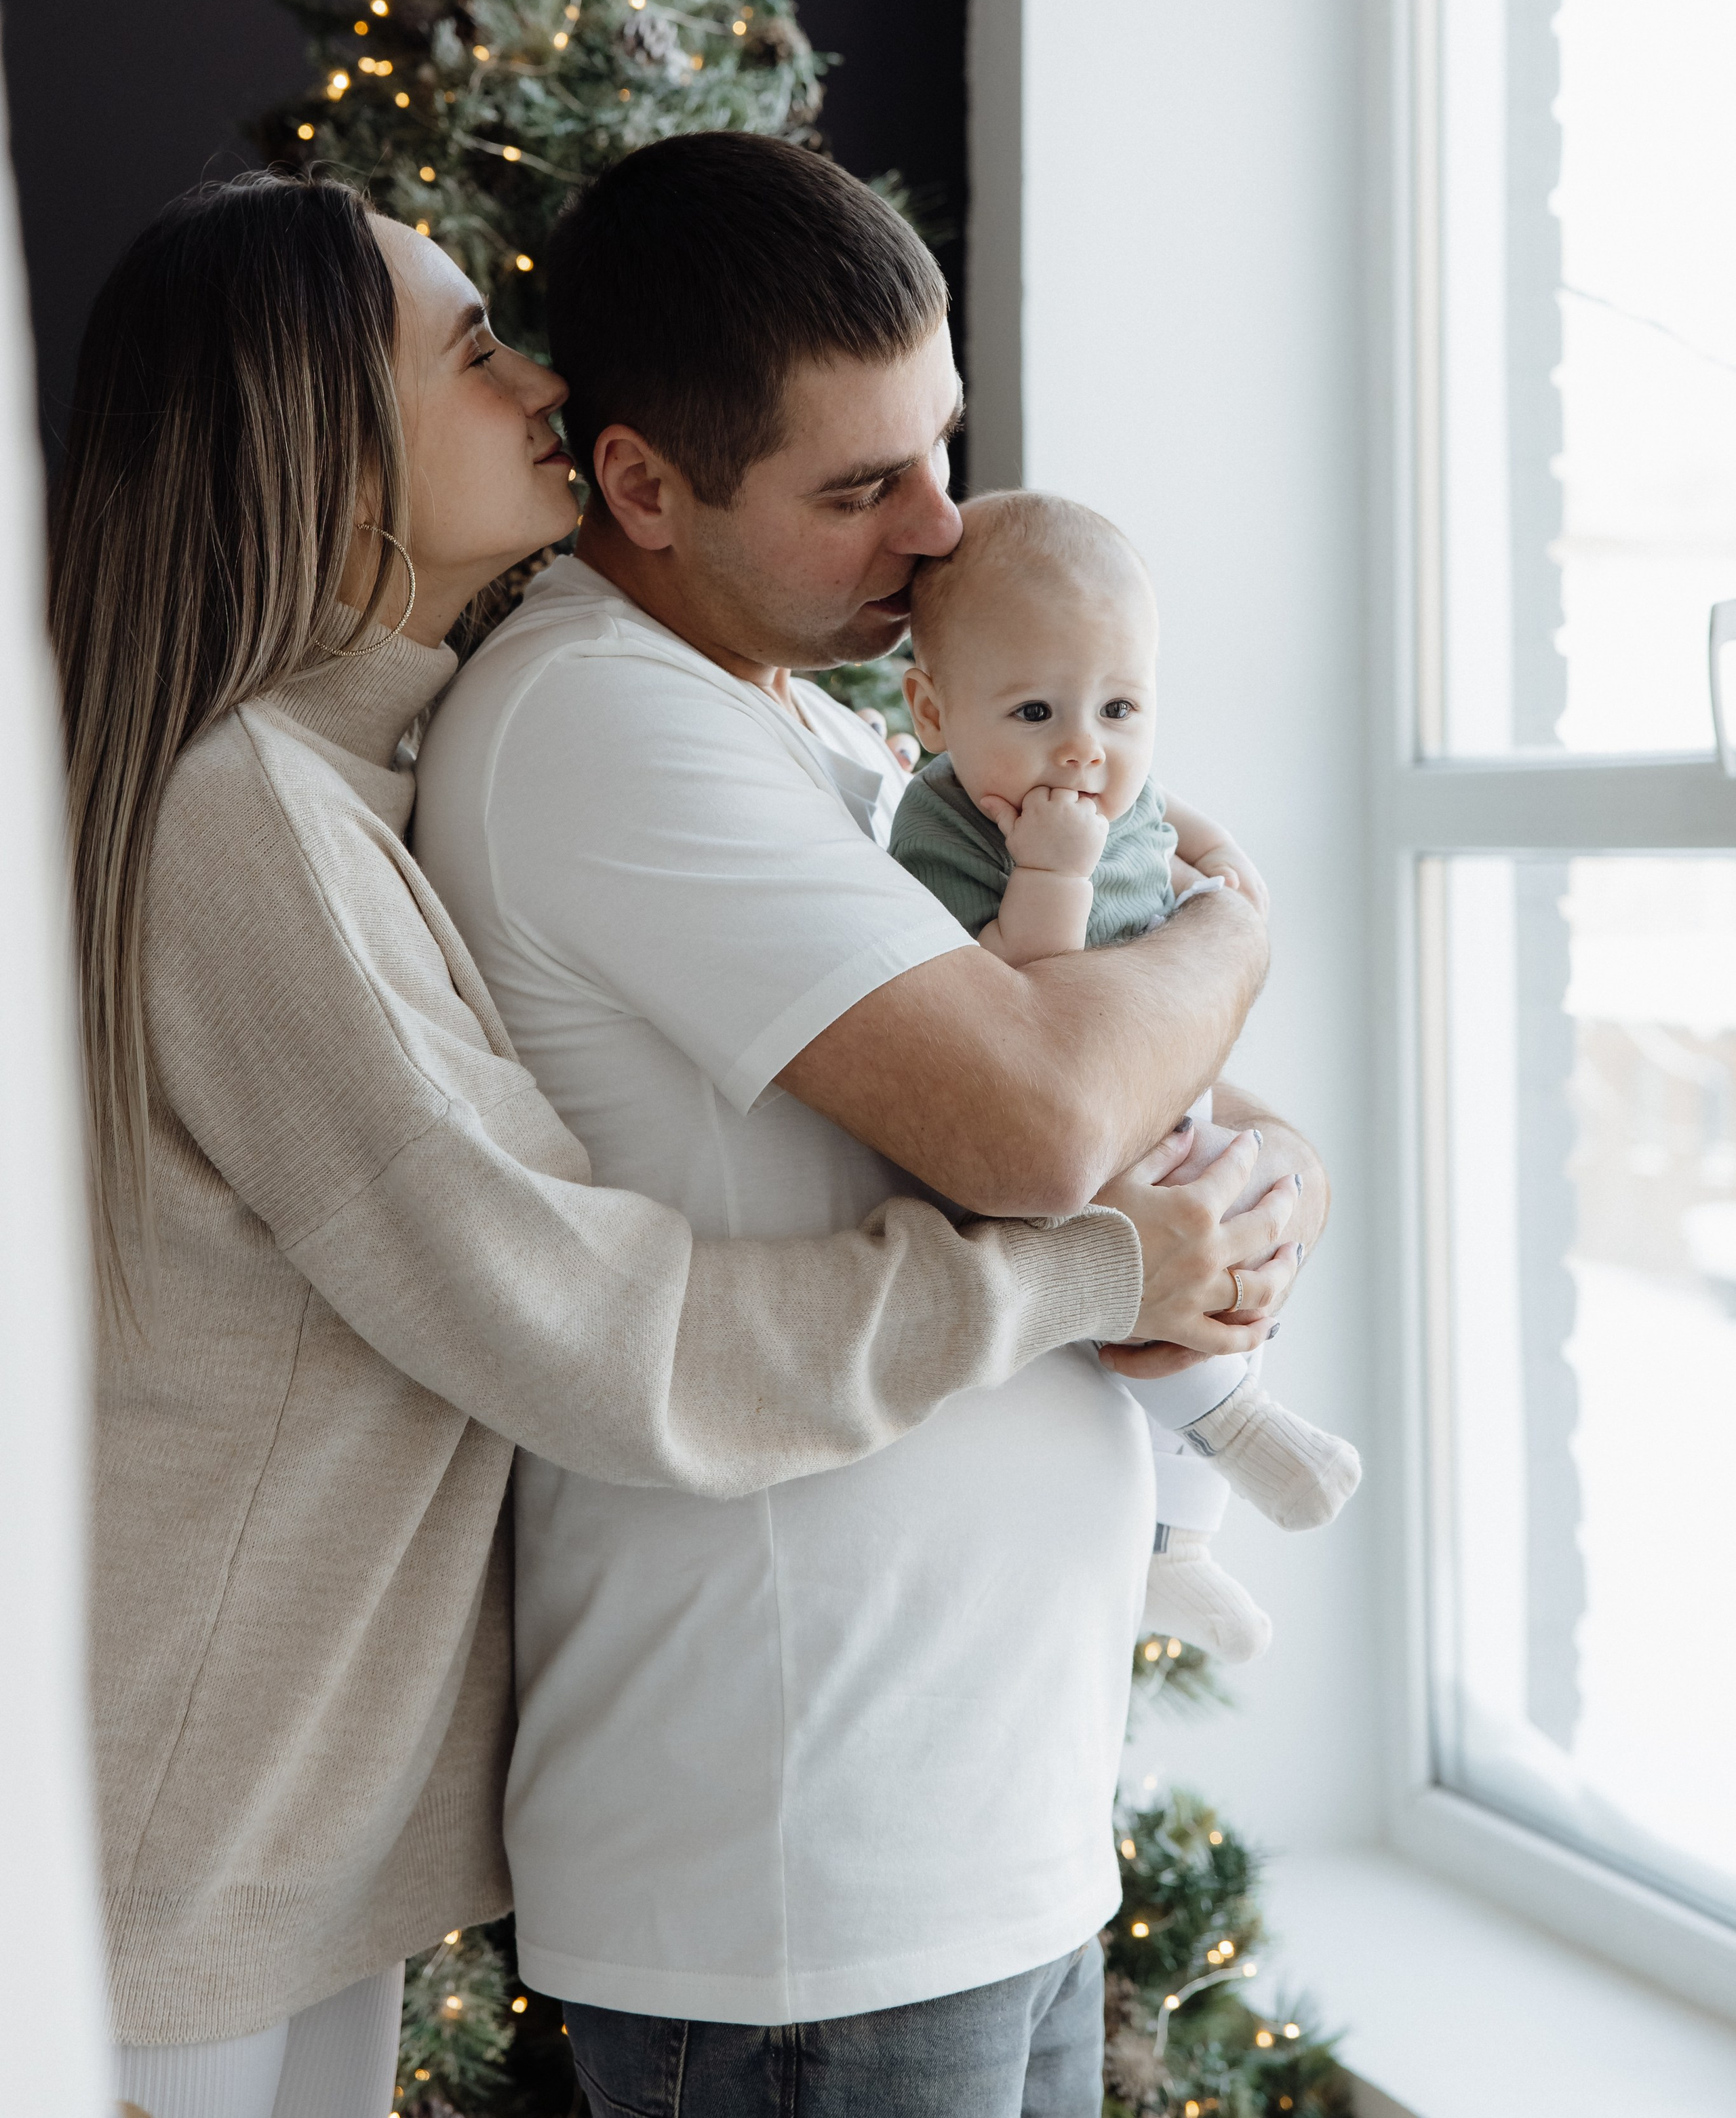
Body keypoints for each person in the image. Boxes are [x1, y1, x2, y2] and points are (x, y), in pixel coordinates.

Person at [54, 172, 1258, 2118]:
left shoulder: (395, 761)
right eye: (466, 353)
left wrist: (1197, 1059)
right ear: (337, 461)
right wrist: (1107, 1247)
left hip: (306, 1827)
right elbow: (600, 1320)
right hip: (207, 1828)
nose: (530, 375)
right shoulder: (268, 809)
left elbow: (1088, 1059)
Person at [414, 132, 1322, 2118]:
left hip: (989, 1827)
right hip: (804, 1877)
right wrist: (1241, 937)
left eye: (943, 449)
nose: (940, 536)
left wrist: (1264, 1180)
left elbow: (1168, 1090)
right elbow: (1048, 1116)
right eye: (857, 488)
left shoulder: (826, 723)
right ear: (640, 481)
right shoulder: (605, 721)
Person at [890, 486, 1360, 1666]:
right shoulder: (945, 832)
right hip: (1075, 1133)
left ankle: (1184, 1551)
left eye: (1120, 707)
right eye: (1038, 709)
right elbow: (1011, 998)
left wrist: (1218, 855)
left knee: (1243, 1236)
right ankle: (1238, 1429)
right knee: (1162, 1260)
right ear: (934, 710)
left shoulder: (1105, 778)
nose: (1083, 749)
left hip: (1167, 1094)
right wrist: (1049, 874)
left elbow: (1158, 804)